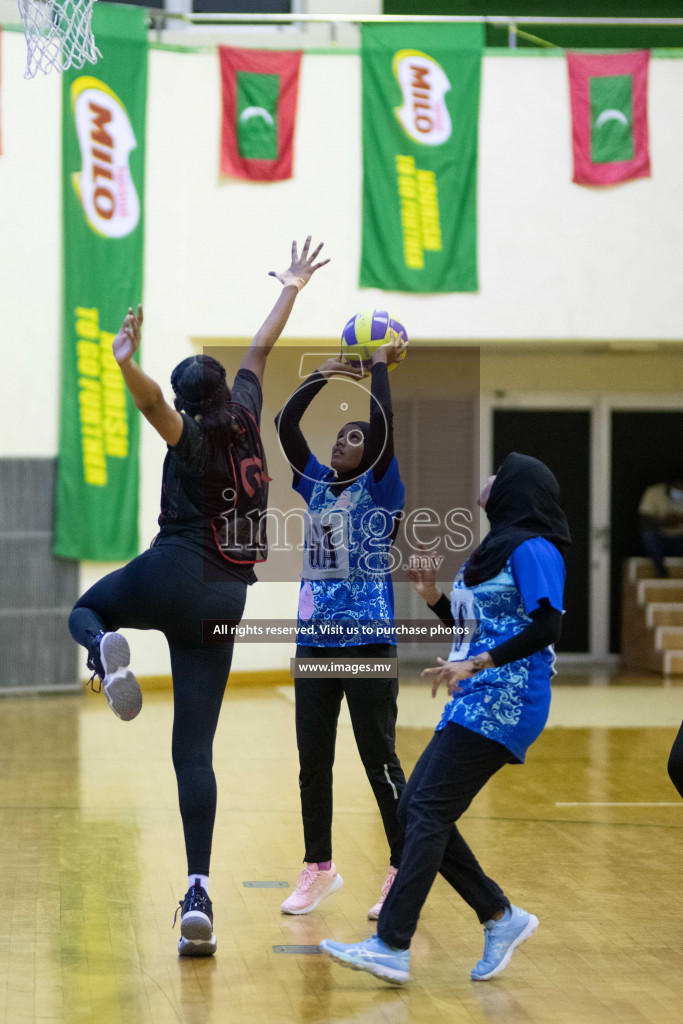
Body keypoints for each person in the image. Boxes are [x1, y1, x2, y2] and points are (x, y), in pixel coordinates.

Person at [68, 237, 329, 957]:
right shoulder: (243, 410)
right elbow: (259, 348)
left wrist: (125, 360)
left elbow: (152, 403)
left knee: (85, 610)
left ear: (187, 402)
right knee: (195, 750)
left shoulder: (186, 435)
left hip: (173, 571)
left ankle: (105, 654)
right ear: (225, 390)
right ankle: (198, 890)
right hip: (224, 599)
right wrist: (292, 286)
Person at [320, 452, 571, 984]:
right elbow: (473, 625)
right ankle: (500, 916)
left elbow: (547, 625)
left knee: (427, 809)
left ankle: (391, 943)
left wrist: (478, 661)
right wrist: (433, 594)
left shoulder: (535, 547)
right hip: (476, 696)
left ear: (515, 489)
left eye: (498, 474)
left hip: (508, 700)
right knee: (416, 808)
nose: (488, 479)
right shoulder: (497, 548)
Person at [274, 333, 408, 920]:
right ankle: (319, 867)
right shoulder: (316, 484)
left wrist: (377, 370)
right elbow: (284, 427)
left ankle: (404, 866)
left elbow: (383, 432)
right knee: (313, 760)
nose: (344, 438)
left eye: (356, 435)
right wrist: (322, 375)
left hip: (368, 645)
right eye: (340, 434)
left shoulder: (379, 489)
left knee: (379, 760)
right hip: (314, 646)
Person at [638, 476, 683, 577]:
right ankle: (660, 570)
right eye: (675, 488)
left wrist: (680, 519)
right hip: (662, 540)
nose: (678, 493)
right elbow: (644, 520)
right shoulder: (654, 492)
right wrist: (664, 521)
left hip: (680, 540)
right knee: (648, 535)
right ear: (668, 485)